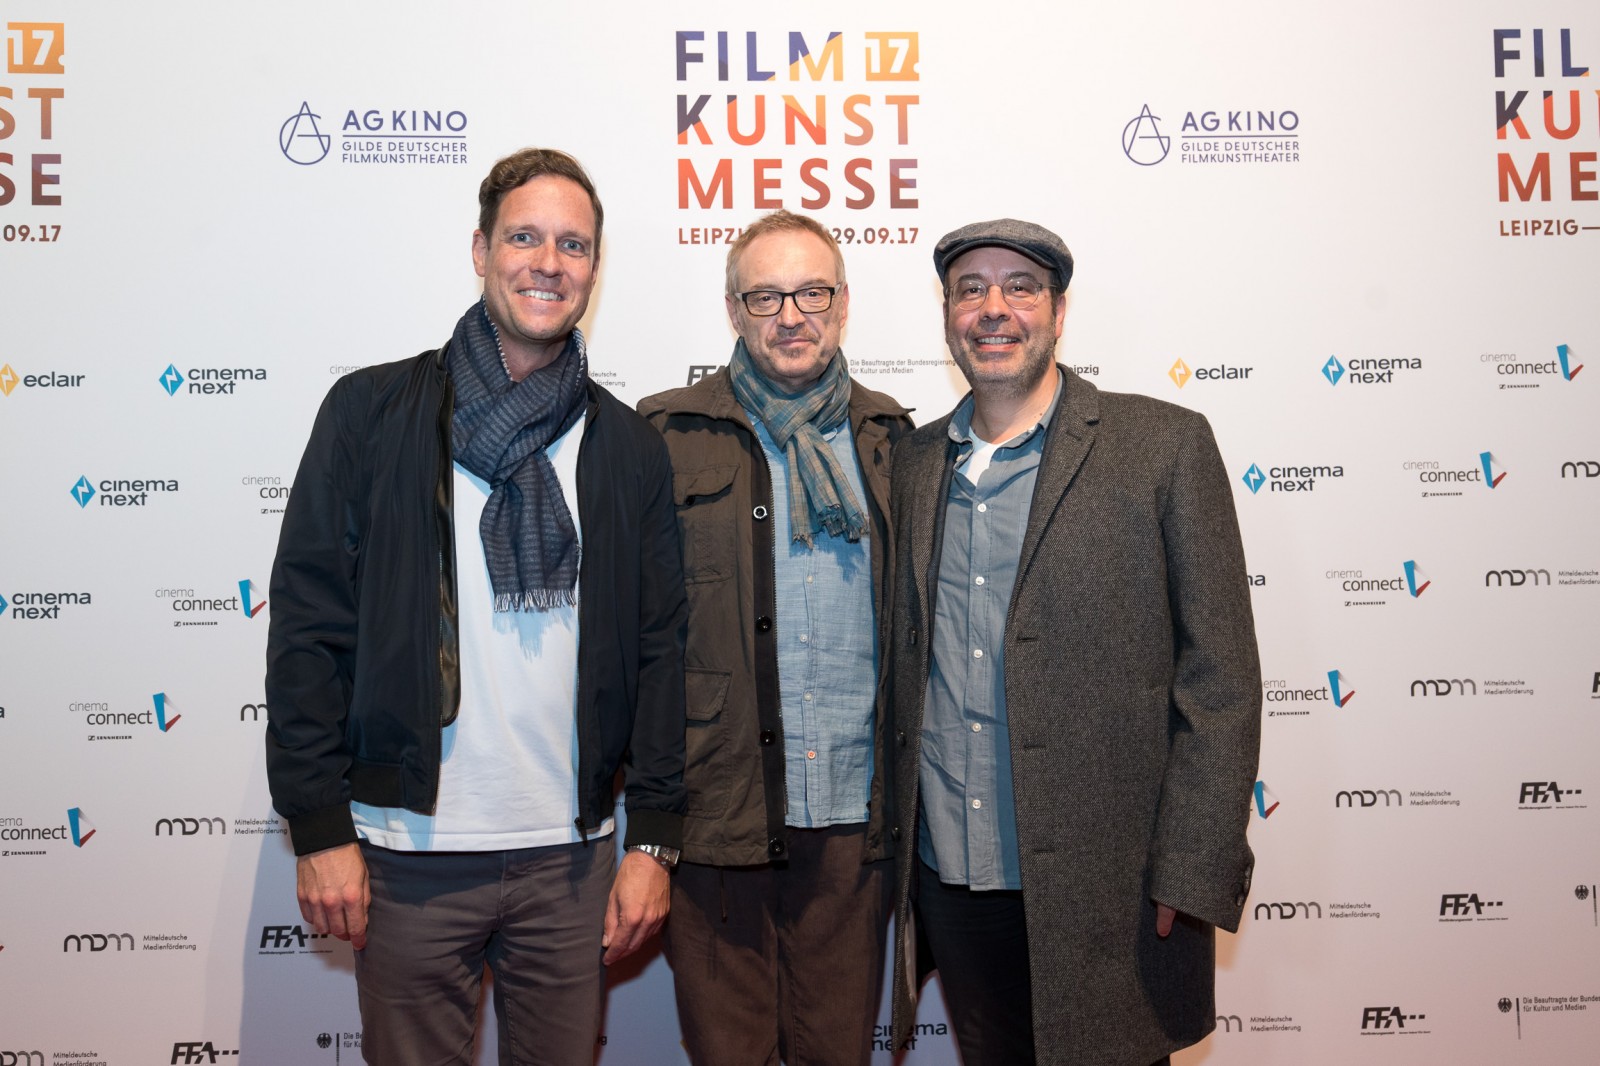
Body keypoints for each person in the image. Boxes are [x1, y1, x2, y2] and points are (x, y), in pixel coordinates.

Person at [264, 147, 687, 1066]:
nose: (548, 262)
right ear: (480, 249)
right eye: (524, 237)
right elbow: (308, 631)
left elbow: (661, 656)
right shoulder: (371, 413)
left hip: (570, 860)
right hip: (405, 851)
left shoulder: (627, 448)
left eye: (572, 245)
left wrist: (653, 841)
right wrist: (319, 826)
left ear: (594, 269)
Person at [887, 219, 1261, 1066]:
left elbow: (1222, 678)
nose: (994, 308)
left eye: (1019, 287)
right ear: (948, 316)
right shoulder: (909, 464)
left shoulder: (1162, 446)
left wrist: (1192, 867)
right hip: (956, 878)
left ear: (1058, 311)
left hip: (1113, 887)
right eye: (970, 289)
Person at [637, 210, 913, 1065]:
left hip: (851, 829)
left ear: (843, 303)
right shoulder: (664, 437)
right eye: (765, 296)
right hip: (719, 820)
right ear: (733, 309)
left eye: (811, 292)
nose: (790, 315)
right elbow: (631, 640)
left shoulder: (898, 444)